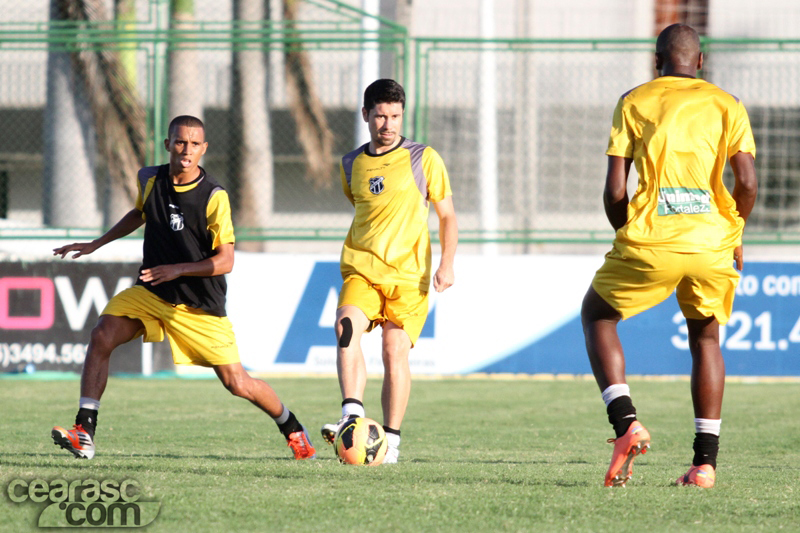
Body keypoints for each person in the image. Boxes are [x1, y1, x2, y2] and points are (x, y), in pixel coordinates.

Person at [51, 115, 316, 460]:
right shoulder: (149, 178)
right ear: (167, 145)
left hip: (199, 306)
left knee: (238, 383)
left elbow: (226, 261)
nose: (186, 150)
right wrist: (96, 243)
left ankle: (293, 428)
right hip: (152, 292)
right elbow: (139, 212)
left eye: (194, 144)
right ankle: (84, 431)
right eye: (180, 142)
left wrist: (178, 269)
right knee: (103, 334)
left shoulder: (213, 196)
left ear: (204, 149)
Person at [581, 24, 758, 488]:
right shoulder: (727, 104)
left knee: (597, 315)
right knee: (706, 339)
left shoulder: (634, 100)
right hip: (711, 242)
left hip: (652, 239)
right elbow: (749, 184)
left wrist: (630, 235)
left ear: (655, 61)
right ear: (700, 63)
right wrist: (733, 232)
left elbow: (615, 190)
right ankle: (705, 465)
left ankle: (626, 424)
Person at [320, 79, 458, 464]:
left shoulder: (423, 158)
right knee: (345, 328)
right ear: (366, 115)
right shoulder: (351, 164)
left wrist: (446, 262)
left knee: (393, 351)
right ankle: (352, 416)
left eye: (395, 115)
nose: (388, 124)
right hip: (362, 271)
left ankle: (391, 442)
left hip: (408, 277)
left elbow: (447, 216)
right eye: (380, 115)